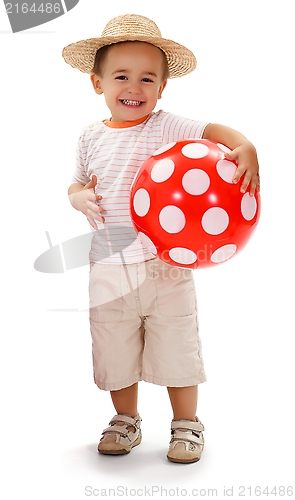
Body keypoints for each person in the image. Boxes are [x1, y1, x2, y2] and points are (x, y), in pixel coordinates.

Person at [62, 13, 260, 464]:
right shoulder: (89, 136)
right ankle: (126, 420)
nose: (134, 87)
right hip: (108, 267)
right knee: (114, 347)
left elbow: (215, 133)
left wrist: (245, 145)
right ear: (98, 84)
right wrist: (78, 199)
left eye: (147, 78)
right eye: (121, 76)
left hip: (166, 266)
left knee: (177, 344)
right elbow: (75, 185)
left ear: (162, 89)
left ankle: (187, 424)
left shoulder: (166, 125)